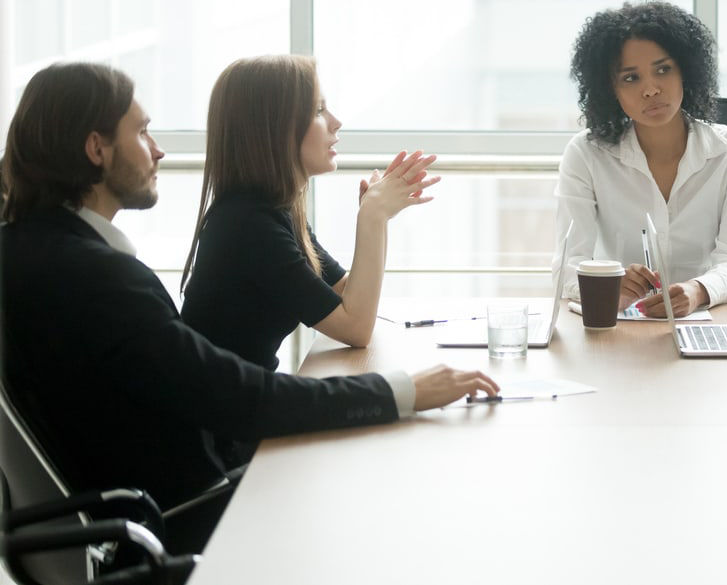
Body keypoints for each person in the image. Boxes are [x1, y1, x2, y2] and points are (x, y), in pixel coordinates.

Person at [0, 62, 498, 555]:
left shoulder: (34, 254)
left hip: (158, 501)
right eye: (144, 131)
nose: (159, 148)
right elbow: (240, 399)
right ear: (96, 148)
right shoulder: (99, 277)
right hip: (185, 514)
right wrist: (401, 391)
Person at [180, 55, 436, 371]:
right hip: (216, 415)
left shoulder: (274, 212)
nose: (336, 121)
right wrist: (371, 216)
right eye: (317, 110)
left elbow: (349, 295)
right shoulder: (248, 225)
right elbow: (355, 328)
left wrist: (378, 217)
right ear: (273, 129)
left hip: (242, 403)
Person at [556, 0, 727, 318]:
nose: (651, 90)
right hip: (621, 329)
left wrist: (697, 291)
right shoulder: (585, 155)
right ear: (609, 89)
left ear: (686, 71)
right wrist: (610, 282)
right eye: (630, 78)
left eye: (663, 70)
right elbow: (566, 267)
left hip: (712, 323)